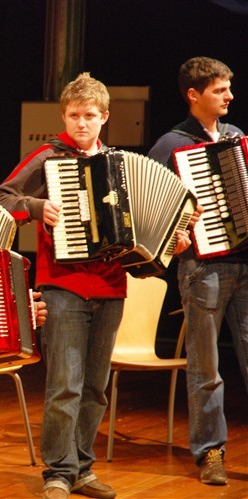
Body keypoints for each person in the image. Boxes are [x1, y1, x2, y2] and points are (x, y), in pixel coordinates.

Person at [0, 72, 189, 499]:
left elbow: (144, 231)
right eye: (74, 115)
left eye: (90, 116)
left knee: (95, 387)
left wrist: (171, 242)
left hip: (111, 287)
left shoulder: (120, 164)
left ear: (105, 117)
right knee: (65, 384)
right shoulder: (49, 155)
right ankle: (58, 473)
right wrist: (37, 205)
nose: (82, 123)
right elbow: (1, 198)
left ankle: (82, 467)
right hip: (62, 284)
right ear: (63, 115)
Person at [148, 56, 247, 486]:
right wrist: (177, 234)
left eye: (229, 88)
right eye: (220, 90)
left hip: (244, 261)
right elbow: (148, 210)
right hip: (201, 269)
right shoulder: (170, 146)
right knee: (205, 368)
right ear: (194, 95)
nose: (229, 96)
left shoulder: (237, 137)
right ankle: (210, 453)